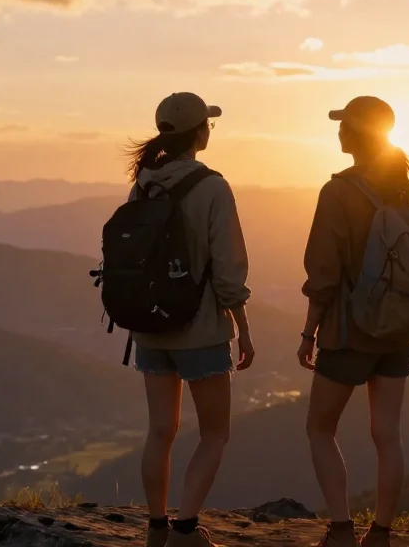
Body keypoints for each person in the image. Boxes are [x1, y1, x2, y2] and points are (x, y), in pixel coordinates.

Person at [125, 92, 254, 547]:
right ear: (200, 132)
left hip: (150, 327)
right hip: (199, 329)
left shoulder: (143, 183)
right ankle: (185, 530)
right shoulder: (212, 186)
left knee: (160, 430)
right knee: (215, 432)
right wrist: (242, 326)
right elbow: (229, 267)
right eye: (208, 125)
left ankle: (155, 529)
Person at [298, 96, 409, 547]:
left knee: (319, 428)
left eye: (345, 124)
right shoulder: (407, 187)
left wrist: (309, 332)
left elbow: (323, 274)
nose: (338, 131)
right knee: (387, 435)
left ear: (359, 132)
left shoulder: (339, 191)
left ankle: (341, 530)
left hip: (349, 332)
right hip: (396, 329)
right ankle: (382, 533)